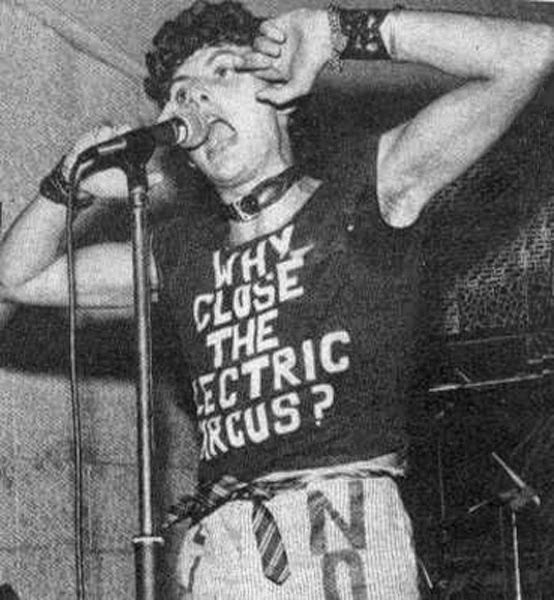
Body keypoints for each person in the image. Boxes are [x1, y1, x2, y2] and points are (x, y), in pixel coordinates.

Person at [1, 1, 553, 598]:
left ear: (280, 93)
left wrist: (343, 32)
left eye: (221, 71)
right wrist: (69, 185)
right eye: (180, 93)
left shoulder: (364, 193)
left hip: (343, 527)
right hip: (222, 542)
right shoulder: (182, 252)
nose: (196, 99)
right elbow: (18, 279)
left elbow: (530, 53)